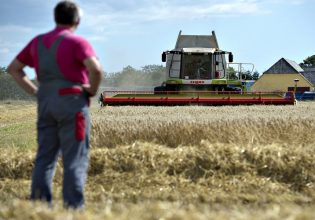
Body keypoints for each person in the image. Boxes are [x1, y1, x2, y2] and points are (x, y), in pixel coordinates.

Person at [7, 1, 102, 209]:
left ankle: (40, 208)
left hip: (46, 103)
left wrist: (35, 91)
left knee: (45, 158)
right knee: (74, 159)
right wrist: (92, 90)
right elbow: (95, 70)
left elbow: (14, 68)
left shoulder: (37, 42)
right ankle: (73, 209)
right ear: (77, 20)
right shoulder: (78, 42)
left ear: (55, 18)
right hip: (72, 103)